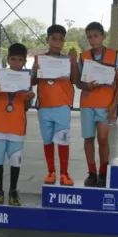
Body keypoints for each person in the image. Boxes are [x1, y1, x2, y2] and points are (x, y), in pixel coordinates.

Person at [0, 43, 35, 206]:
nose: (16, 63)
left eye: (20, 60)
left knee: (15, 161)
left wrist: (29, 97)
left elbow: (26, 107)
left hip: (16, 126)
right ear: (8, 59)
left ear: (24, 62)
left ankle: (13, 191)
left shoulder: (27, 80)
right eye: (13, 59)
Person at [75, 22, 118, 187]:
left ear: (103, 37)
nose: (92, 40)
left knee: (103, 139)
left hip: (106, 104)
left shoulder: (114, 55)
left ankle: (103, 171)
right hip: (88, 104)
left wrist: (114, 104)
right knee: (89, 139)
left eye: (95, 36)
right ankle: (92, 172)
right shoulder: (83, 57)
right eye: (89, 37)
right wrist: (85, 85)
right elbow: (78, 82)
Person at [31, 25, 78, 186]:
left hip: (62, 106)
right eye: (54, 39)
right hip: (44, 107)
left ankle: (64, 173)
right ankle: (51, 171)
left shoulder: (67, 60)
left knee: (63, 140)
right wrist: (34, 71)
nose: (57, 42)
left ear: (64, 41)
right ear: (48, 40)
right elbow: (32, 82)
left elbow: (75, 81)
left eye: (60, 40)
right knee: (47, 140)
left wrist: (74, 62)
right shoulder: (39, 59)